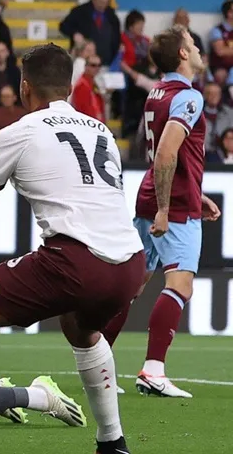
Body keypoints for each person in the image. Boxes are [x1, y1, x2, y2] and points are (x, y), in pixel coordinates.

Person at [0, 44, 146, 454]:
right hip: (130, 264)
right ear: (69, 87)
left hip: (75, 262)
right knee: (80, 327)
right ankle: (113, 442)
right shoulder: (101, 130)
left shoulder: (18, 132)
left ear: (24, 87)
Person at [103, 26, 221, 398]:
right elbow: (168, 152)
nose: (199, 48)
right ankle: (153, 370)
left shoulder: (157, 92)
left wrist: (190, 193)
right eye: (193, 43)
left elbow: (169, 157)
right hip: (171, 206)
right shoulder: (189, 97)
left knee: (133, 285)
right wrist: (170, 207)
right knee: (180, 285)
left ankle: (98, 366)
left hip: (151, 197)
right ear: (183, 55)